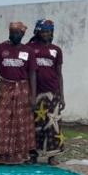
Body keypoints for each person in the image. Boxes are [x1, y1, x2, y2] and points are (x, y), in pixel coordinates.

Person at [0, 21, 37, 165]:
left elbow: (32, 74)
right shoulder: (1, 48)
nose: (14, 35)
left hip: (23, 88)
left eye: (17, 33)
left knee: (21, 121)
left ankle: (20, 154)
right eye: (12, 33)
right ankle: (2, 154)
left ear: (22, 34)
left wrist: (33, 96)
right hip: (5, 87)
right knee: (2, 120)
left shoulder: (28, 51)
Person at [29, 19, 66, 165]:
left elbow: (59, 74)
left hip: (52, 92)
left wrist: (62, 96)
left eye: (48, 31)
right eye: (43, 31)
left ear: (51, 33)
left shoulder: (56, 50)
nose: (45, 34)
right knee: (35, 124)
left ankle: (52, 155)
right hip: (35, 93)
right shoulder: (30, 48)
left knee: (52, 125)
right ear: (37, 32)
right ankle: (33, 154)